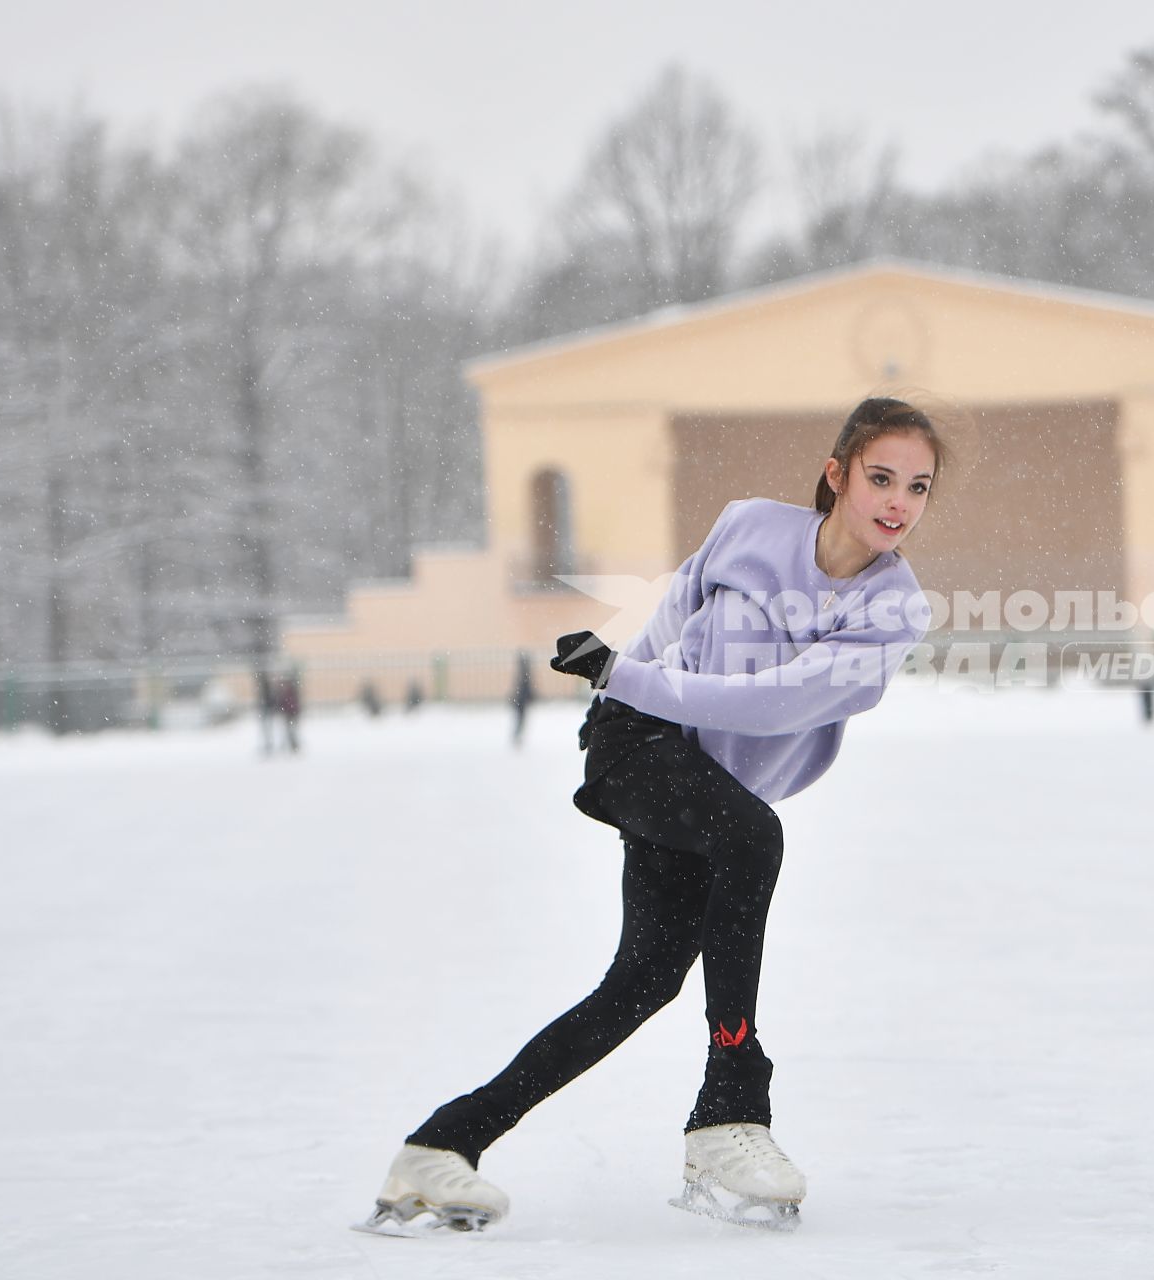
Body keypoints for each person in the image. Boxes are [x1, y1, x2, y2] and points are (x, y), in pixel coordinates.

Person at [362, 396, 942, 1237]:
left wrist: (618, 676)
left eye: (918, 487)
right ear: (837, 474)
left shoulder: (893, 610)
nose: (898, 502)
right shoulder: (749, 528)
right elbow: (671, 624)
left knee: (639, 985)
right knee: (753, 836)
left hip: (707, 790)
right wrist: (625, 685)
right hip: (645, 746)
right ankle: (731, 1108)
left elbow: (772, 706)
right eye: (881, 477)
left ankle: (441, 1147)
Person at [508, 651, 535, 748]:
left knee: (520, 719)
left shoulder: (522, 672)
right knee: (520, 719)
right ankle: (517, 736)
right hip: (521, 699)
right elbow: (525, 686)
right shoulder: (524, 672)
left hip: (520, 699)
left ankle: (517, 736)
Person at [275, 670, 302, 755]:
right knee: (288, 730)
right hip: (288, 712)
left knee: (291, 730)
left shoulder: (290, 690)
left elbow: (293, 701)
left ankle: (293, 745)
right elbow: (282, 701)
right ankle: (291, 745)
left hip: (291, 712)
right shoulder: (285, 690)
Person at [254, 667, 278, 755]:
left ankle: (269, 745)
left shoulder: (265, 689)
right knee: (268, 729)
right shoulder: (267, 688)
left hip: (267, 710)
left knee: (268, 729)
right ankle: (269, 745)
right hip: (267, 710)